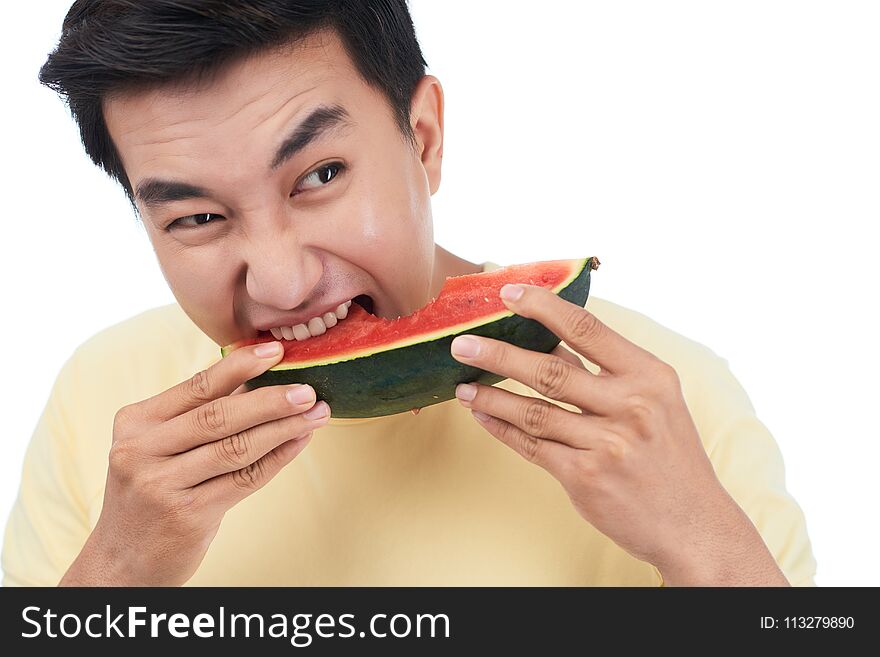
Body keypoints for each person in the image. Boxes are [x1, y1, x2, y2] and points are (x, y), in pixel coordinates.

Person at [2, 0, 815, 587]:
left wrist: (705, 546)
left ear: (422, 139)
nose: (280, 280)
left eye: (320, 175)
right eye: (198, 216)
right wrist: (114, 575)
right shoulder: (103, 402)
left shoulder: (667, 403)